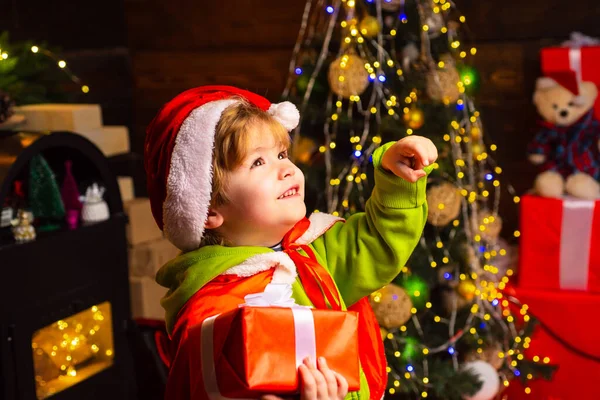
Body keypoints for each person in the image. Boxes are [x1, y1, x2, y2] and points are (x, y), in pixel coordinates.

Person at [144, 85, 437, 400]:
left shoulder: (315, 252)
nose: (286, 169)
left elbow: (378, 242)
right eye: (258, 162)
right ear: (209, 209)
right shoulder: (212, 309)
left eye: (281, 154)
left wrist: (397, 178)